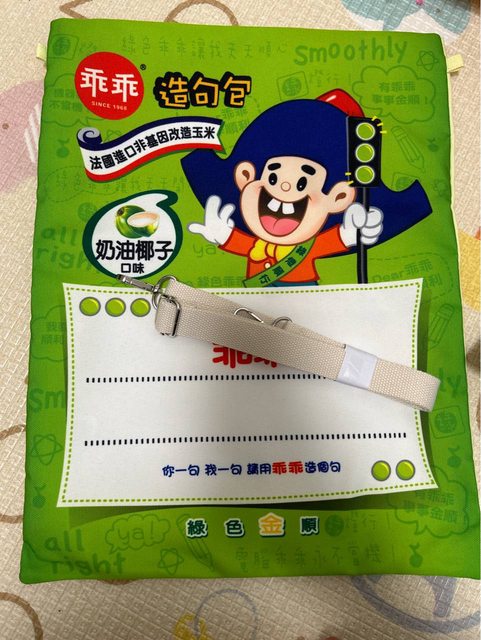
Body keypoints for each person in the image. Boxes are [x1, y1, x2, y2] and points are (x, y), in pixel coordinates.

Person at [182, 90, 432, 286]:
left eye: (302, 183)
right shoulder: (256, 240)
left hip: (304, 297)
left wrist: (350, 234)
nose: (285, 187)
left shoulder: (309, 246)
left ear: (339, 197)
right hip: (253, 301)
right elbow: (245, 245)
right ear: (245, 176)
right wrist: (224, 235)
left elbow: (330, 242)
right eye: (272, 177)